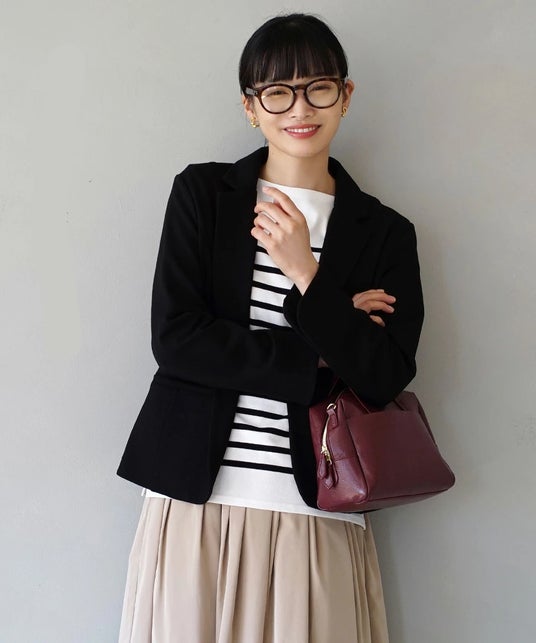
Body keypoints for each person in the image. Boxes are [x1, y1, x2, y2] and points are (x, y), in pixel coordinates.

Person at [117, 13, 423, 643]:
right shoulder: (204, 194)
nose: (299, 108)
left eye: (318, 88)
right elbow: (177, 341)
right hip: (194, 504)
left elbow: (384, 374)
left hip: (320, 510)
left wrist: (307, 274)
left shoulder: (386, 233)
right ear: (251, 107)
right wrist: (322, 346)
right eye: (278, 92)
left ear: (345, 95)